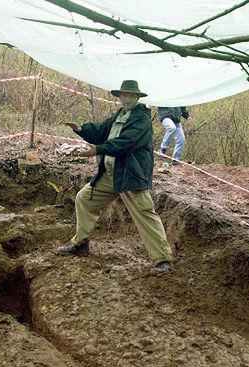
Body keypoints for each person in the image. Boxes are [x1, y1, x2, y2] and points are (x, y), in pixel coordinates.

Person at [57, 80, 173, 274]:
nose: (127, 98)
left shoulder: (141, 118)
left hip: (130, 174)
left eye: (131, 95)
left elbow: (126, 142)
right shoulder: (120, 114)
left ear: (137, 97)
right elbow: (102, 131)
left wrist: (97, 150)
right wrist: (81, 130)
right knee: (85, 198)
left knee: (144, 213)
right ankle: (80, 243)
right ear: (119, 97)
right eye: (124, 95)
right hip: (112, 173)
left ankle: (163, 259)